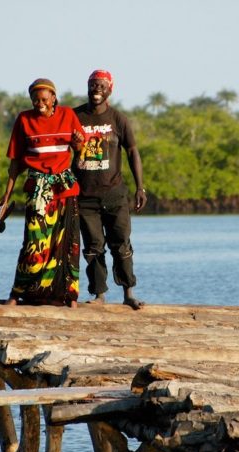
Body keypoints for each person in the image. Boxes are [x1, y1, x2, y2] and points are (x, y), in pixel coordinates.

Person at [0, 78, 85, 308]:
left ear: (54, 98)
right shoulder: (24, 120)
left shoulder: (67, 115)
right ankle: (17, 294)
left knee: (66, 244)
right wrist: (6, 196)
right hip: (38, 190)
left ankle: (68, 297)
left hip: (65, 189)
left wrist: (77, 143)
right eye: (35, 100)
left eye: (44, 99)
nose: (40, 104)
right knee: (34, 242)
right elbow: (16, 163)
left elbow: (80, 149)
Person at [73, 70, 147, 310]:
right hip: (84, 197)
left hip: (115, 194)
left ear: (110, 90)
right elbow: (63, 150)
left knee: (121, 244)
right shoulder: (76, 116)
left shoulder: (118, 119)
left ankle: (128, 293)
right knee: (93, 247)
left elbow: (133, 151)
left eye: (102, 86)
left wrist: (140, 188)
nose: (97, 89)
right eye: (93, 85)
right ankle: (99, 296)